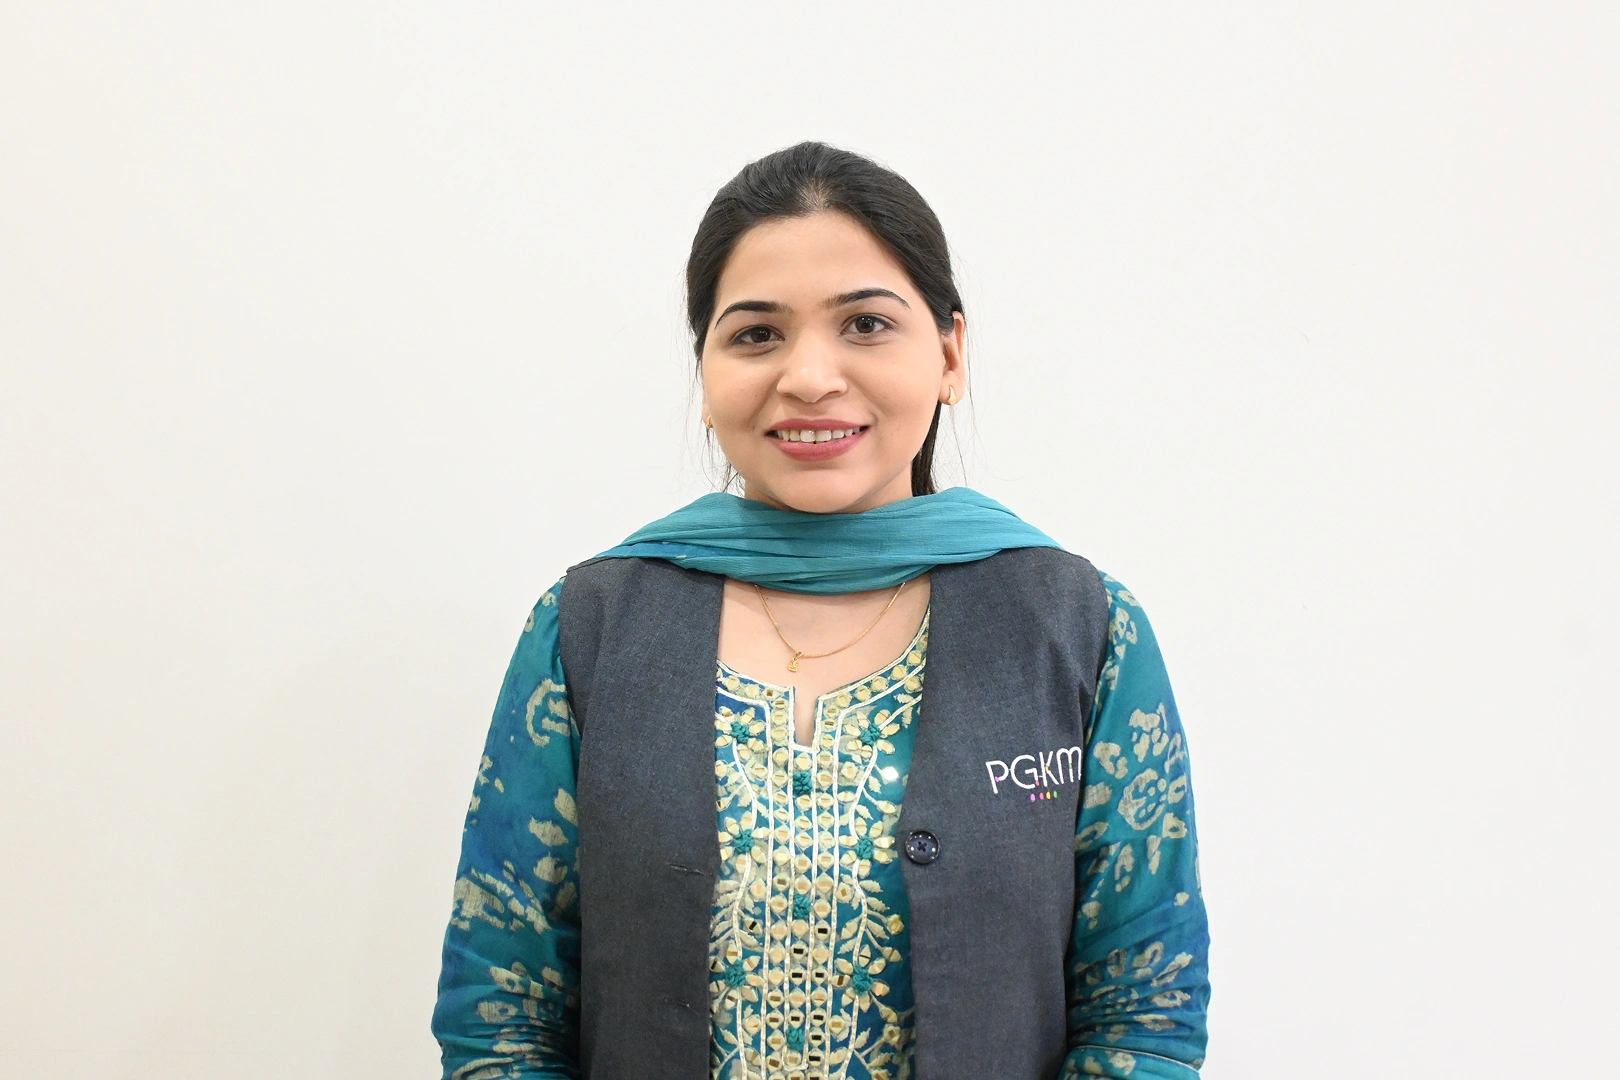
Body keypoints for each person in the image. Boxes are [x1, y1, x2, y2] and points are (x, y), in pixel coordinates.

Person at [432, 142, 1210, 1080]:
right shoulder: (590, 631)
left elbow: (1145, 1012)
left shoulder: (1078, 630)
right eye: (757, 334)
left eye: (866, 324)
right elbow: (501, 1012)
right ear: (706, 371)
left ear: (950, 353)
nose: (808, 376)